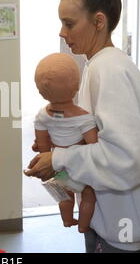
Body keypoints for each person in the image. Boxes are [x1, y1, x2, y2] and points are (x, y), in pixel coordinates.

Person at [25, 0, 140, 253]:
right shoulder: (101, 64)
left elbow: (126, 159)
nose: (62, 32)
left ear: (98, 22)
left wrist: (59, 157)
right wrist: (63, 142)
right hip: (119, 220)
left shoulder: (109, 70)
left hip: (126, 229)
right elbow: (103, 136)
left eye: (69, 23)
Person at [33, 53, 97, 233]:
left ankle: (67, 220)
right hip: (80, 169)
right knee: (89, 195)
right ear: (77, 86)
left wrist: (46, 154)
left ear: (40, 90)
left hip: (60, 170)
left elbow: (43, 148)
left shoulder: (42, 115)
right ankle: (84, 226)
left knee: (65, 196)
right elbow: (94, 147)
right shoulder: (85, 118)